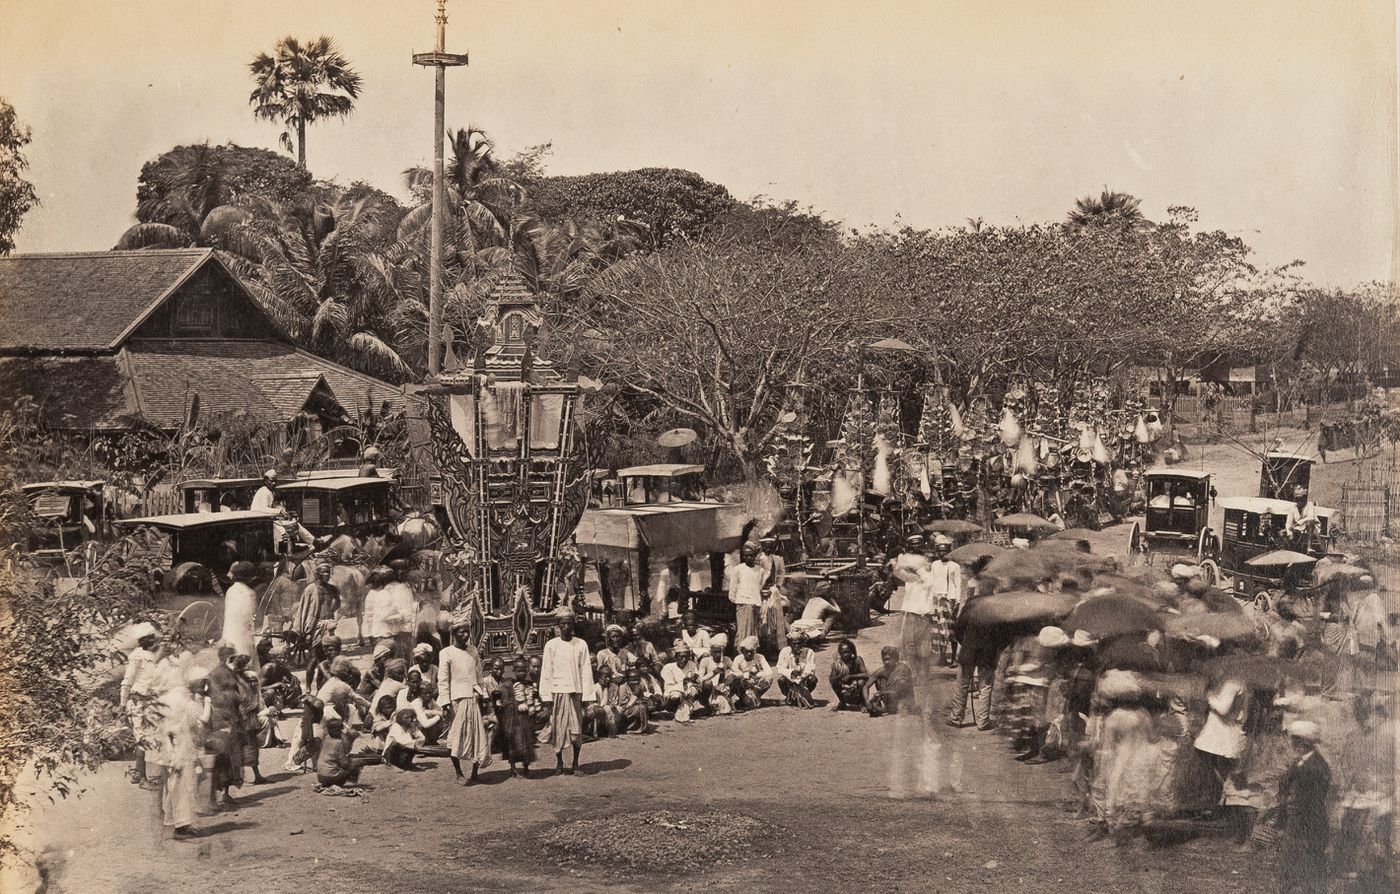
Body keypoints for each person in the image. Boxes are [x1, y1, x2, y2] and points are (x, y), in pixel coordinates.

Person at [1275, 720, 1331, 894]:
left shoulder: (1315, 767)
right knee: (1291, 856)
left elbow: (1311, 800)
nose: (1295, 744)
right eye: (1295, 740)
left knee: (1306, 857)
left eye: (1299, 741)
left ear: (1308, 742)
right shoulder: (1301, 761)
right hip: (1298, 816)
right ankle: (1292, 885)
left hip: (1307, 818)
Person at [538, 607, 595, 774]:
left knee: (576, 731)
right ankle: (559, 764)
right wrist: (546, 696)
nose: (566, 627)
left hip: (575, 692)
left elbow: (586, 670)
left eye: (569, 623)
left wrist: (587, 697)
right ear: (558, 625)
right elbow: (547, 671)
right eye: (563, 624)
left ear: (573, 624)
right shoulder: (551, 645)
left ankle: (576, 764)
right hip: (557, 693)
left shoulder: (580, 644)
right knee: (559, 729)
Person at [155, 670, 210, 840]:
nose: (204, 686)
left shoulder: (170, 696)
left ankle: (174, 821)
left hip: (169, 745)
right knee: (184, 785)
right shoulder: (186, 699)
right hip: (181, 746)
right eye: (202, 682)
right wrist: (207, 701)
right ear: (192, 683)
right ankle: (181, 826)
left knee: (174, 785)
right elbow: (204, 718)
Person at [438, 622, 491, 785]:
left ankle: (475, 772)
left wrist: (484, 694)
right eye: (461, 632)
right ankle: (459, 772)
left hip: (473, 698)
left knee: (477, 735)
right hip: (457, 700)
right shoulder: (446, 653)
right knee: (455, 737)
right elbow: (443, 680)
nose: (466, 635)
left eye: (467, 632)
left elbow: (479, 675)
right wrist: (446, 703)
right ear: (454, 634)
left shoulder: (473, 650)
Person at [207, 643, 253, 807]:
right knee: (222, 757)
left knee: (232, 756)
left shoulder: (229, 673)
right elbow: (217, 697)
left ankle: (224, 793)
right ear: (227, 657)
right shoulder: (216, 674)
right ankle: (216, 795)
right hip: (222, 718)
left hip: (233, 717)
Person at [119, 626, 163, 787]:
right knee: (142, 739)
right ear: (145, 641)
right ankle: (142, 779)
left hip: (148, 702)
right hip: (137, 702)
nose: (155, 641)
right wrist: (122, 705)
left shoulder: (151, 656)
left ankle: (138, 773)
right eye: (152, 639)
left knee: (147, 737)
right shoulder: (136, 657)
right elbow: (128, 680)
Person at [498, 655, 541, 777]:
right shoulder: (508, 685)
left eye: (523, 670)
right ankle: (513, 768)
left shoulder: (530, 685)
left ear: (527, 670)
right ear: (513, 670)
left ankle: (526, 768)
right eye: (518, 671)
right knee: (513, 745)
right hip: (513, 721)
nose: (521, 673)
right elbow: (504, 701)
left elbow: (535, 700)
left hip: (526, 720)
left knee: (527, 745)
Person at [925, 536, 964, 667]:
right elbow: (931, 583)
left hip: (949, 601)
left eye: (945, 551)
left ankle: (954, 658)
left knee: (951, 631)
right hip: (937, 600)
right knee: (937, 631)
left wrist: (957, 602)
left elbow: (958, 584)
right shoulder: (935, 565)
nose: (942, 553)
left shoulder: (955, 566)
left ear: (949, 551)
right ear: (936, 552)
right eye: (940, 551)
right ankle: (941, 657)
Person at [727, 544, 767, 648]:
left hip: (756, 605)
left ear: (755, 555)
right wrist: (742, 602)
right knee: (743, 631)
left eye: (751, 555)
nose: (748, 557)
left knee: (754, 631)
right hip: (743, 605)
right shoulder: (738, 569)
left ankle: (752, 654)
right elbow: (732, 591)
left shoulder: (760, 570)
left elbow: (760, 587)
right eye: (746, 555)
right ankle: (741, 653)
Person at [295, 559, 341, 647]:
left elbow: (337, 603)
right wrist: (305, 630)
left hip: (329, 624)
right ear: (318, 574)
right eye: (323, 572)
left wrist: (330, 613)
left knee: (330, 650)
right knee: (314, 656)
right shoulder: (310, 589)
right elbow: (303, 609)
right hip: (314, 625)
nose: (326, 574)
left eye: (328, 572)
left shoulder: (332, 589)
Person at [222, 562, 260, 661]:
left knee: (232, 662)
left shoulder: (230, 590)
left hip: (229, 633)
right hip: (244, 635)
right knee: (245, 661)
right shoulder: (250, 593)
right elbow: (251, 618)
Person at [865, 646, 915, 717]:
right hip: (889, 699)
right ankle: (886, 707)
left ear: (895, 658)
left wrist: (883, 693)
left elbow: (902, 689)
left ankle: (902, 708)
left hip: (902, 701)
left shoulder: (903, 669)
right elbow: (866, 686)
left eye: (888, 659)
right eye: (884, 660)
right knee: (880, 680)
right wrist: (867, 701)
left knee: (902, 682)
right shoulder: (882, 671)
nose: (886, 662)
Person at [314, 717, 363, 789]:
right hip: (331, 777)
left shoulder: (326, 740)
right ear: (340, 731)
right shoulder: (339, 743)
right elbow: (345, 763)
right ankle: (351, 782)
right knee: (358, 762)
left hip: (321, 777)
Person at [660, 644, 703, 723]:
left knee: (693, 690)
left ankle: (681, 710)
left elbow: (697, 681)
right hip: (673, 691)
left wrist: (693, 680)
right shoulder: (668, 667)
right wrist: (684, 682)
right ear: (675, 657)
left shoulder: (692, 665)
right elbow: (669, 686)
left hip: (688, 691)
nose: (684, 659)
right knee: (677, 695)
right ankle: (672, 709)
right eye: (681, 656)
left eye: (686, 656)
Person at [775, 632, 818, 709]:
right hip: (790, 680)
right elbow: (780, 668)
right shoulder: (785, 651)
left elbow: (811, 669)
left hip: (803, 680)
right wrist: (791, 672)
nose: (796, 646)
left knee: (812, 679)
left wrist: (800, 677)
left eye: (799, 643)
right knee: (781, 680)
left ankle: (802, 696)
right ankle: (790, 696)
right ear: (789, 643)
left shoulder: (809, 652)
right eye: (793, 644)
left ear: (802, 643)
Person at [730, 636, 773, 709]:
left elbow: (769, 672)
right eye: (747, 651)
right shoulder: (738, 659)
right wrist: (746, 676)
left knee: (768, 678)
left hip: (755, 684)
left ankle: (754, 696)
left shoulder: (759, 657)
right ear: (742, 650)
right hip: (744, 683)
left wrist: (757, 675)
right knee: (737, 680)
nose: (749, 654)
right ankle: (744, 698)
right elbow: (733, 672)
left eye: (752, 652)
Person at [697, 634, 734, 715]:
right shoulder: (705, 661)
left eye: (720, 652)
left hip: (722, 689)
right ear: (711, 651)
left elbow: (737, 672)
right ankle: (707, 705)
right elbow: (700, 680)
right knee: (707, 683)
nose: (718, 654)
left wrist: (731, 675)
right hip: (709, 690)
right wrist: (714, 672)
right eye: (715, 652)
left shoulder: (727, 660)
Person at [828, 638, 868, 711]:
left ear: (852, 652)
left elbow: (866, 675)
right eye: (843, 652)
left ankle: (862, 703)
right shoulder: (837, 664)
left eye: (847, 652)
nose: (845, 655)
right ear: (840, 653)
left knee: (861, 682)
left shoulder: (857, 660)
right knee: (834, 682)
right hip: (844, 687)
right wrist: (840, 676)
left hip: (856, 687)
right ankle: (842, 701)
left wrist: (850, 677)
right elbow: (831, 679)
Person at [618, 667, 652, 733]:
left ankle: (642, 727)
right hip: (625, 710)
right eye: (632, 680)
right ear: (627, 680)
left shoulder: (640, 686)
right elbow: (623, 705)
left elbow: (642, 697)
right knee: (641, 707)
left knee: (643, 706)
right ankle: (631, 728)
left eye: (637, 679)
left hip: (635, 707)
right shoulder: (623, 687)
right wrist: (635, 696)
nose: (635, 681)